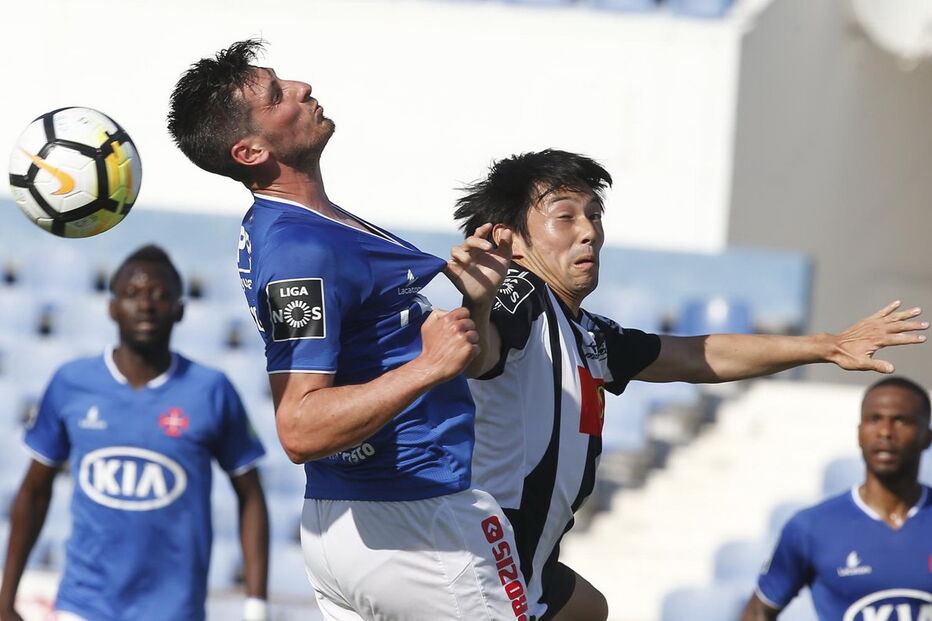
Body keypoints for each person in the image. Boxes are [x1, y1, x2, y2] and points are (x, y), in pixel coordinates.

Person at [452, 149, 929, 620]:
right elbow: (479, 352)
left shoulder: (586, 333)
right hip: (482, 563)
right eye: (566, 217)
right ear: (510, 241)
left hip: (526, 564)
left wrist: (827, 345)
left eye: (595, 215)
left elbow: (696, 356)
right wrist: (476, 303)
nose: (589, 231)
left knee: (589, 608)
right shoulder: (520, 293)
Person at [167, 40, 531, 620]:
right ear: (250, 149)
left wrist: (476, 307)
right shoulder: (299, 251)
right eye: (277, 94)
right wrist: (427, 366)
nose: (303, 87)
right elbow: (299, 427)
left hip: (354, 520)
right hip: (412, 517)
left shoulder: (310, 226)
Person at [0, 245, 270, 621]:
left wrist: (256, 607)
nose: (145, 305)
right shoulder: (72, 383)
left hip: (175, 610)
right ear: (111, 307)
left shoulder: (210, 390)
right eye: (132, 294)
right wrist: (5, 599)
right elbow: (33, 492)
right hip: (85, 605)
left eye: (160, 296)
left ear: (180, 310)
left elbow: (251, 496)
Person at [741, 376, 932, 620]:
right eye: (874, 419)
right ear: (859, 433)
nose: (885, 432)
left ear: (927, 437)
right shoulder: (812, 528)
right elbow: (758, 611)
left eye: (900, 421)